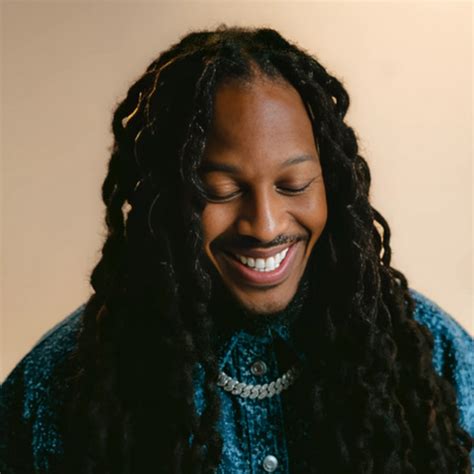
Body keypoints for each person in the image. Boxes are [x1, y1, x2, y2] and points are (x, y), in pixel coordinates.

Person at [1, 25, 472, 474]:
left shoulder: (436, 359)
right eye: (221, 191)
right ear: (167, 198)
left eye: (294, 184)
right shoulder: (63, 383)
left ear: (331, 183)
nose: (265, 225)